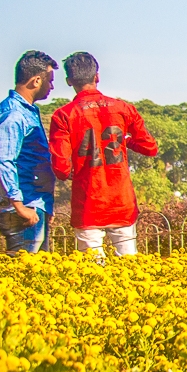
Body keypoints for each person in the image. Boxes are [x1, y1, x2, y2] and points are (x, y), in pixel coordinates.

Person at [49, 52, 159, 258]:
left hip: (88, 202)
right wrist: (126, 141)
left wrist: (72, 170)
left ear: (69, 81)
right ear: (96, 76)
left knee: (92, 271)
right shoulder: (123, 108)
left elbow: (61, 169)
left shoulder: (64, 115)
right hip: (121, 201)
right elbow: (150, 147)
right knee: (129, 268)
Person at [0, 50, 59, 254]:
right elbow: (4, 160)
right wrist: (19, 206)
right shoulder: (13, 113)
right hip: (23, 206)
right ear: (36, 80)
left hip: (34, 203)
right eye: (50, 80)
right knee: (25, 274)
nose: (52, 86)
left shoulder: (28, 111)